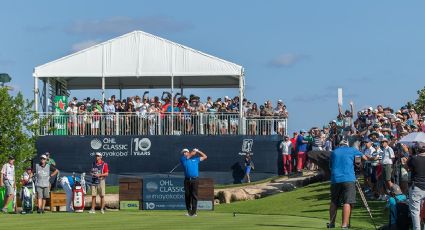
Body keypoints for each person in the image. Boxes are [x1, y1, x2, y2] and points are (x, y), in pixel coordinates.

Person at [328, 140, 362, 229]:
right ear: (347, 145)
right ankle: (344, 225)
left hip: (335, 179)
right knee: (347, 201)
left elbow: (330, 166)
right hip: (348, 178)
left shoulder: (334, 151)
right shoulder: (352, 149)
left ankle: (331, 223)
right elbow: (358, 162)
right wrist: (357, 166)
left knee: (334, 201)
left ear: (339, 145)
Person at [180, 148, 207, 217]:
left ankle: (194, 212)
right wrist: (194, 151)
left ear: (187, 152)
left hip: (195, 180)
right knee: (187, 195)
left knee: (194, 196)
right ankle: (189, 212)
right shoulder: (183, 159)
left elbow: (205, 156)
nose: (184, 153)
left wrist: (198, 151)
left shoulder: (196, 160)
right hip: (187, 180)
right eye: (183, 153)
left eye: (185, 152)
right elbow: (191, 154)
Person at [407, 143, 425, 230]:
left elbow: (407, 167)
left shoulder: (414, 158)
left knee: (415, 212)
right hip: (420, 186)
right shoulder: (414, 158)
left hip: (417, 186)